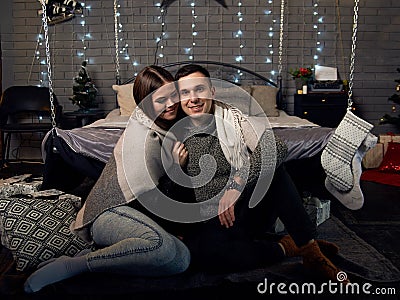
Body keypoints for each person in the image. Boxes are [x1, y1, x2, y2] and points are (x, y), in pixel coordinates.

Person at [24, 66, 191, 293]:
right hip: (109, 212)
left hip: (138, 215)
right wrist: (176, 171)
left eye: (174, 94)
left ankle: (99, 257)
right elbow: (141, 198)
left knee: (182, 260)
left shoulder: (169, 130)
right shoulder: (142, 137)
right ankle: (74, 266)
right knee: (162, 248)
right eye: (161, 99)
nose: (171, 103)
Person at [173, 64, 345, 282]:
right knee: (205, 257)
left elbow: (276, 147)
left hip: (248, 208)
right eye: (185, 92)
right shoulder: (175, 132)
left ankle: (311, 252)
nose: (193, 98)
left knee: (274, 168)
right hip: (211, 220)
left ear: (212, 91)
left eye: (200, 89)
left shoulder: (233, 119)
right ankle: (286, 247)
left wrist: (236, 185)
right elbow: (173, 193)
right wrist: (176, 166)